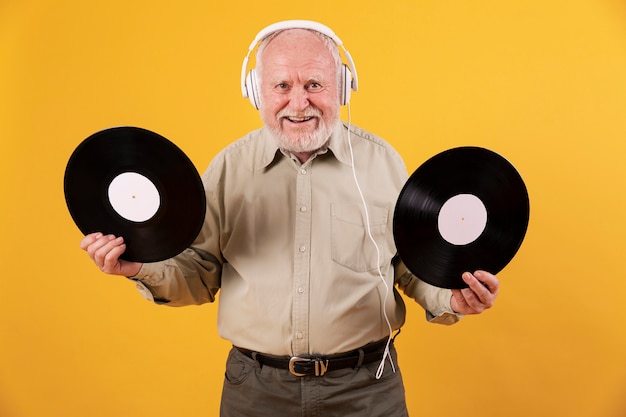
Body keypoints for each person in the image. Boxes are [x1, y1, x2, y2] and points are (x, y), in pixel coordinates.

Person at [80, 20, 499, 417]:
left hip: (367, 389)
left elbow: (410, 265)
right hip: (256, 390)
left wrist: (451, 298)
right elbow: (200, 275)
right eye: (282, 85)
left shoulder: (381, 163)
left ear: (342, 88)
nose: (299, 103)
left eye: (314, 84)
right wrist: (140, 267)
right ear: (257, 91)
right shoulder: (228, 169)